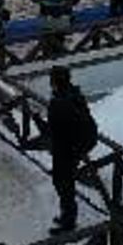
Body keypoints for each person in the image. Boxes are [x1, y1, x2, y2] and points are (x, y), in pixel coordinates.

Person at [47, 65, 97, 235]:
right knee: (65, 183)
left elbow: (58, 130)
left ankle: (68, 222)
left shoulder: (60, 102)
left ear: (54, 82)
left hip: (65, 151)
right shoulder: (75, 95)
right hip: (74, 149)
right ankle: (67, 216)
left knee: (63, 184)